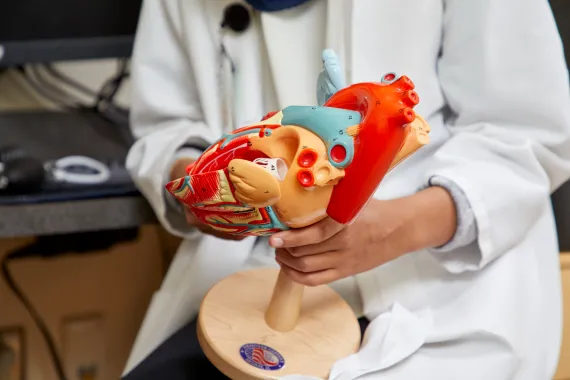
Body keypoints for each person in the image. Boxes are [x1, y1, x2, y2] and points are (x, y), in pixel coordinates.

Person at [122, 0, 570, 379]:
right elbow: (167, 125)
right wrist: (203, 188)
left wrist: (398, 228)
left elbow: (527, 132)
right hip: (252, 272)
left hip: (442, 284)